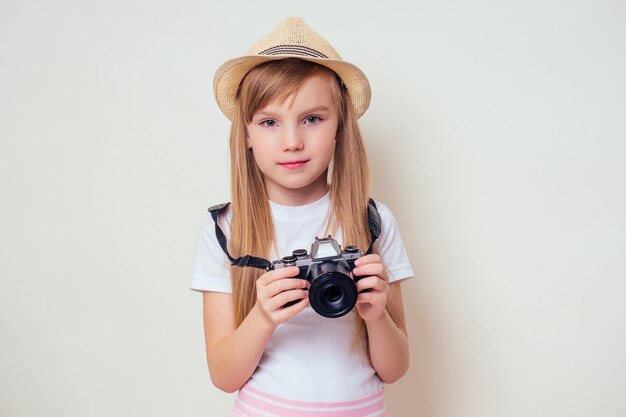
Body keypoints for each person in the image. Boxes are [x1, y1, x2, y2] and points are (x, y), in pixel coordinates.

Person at [191, 17, 414, 417]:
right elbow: (224, 376)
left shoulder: (372, 222)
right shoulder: (227, 230)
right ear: (245, 133)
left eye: (312, 118)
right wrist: (262, 315)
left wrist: (376, 315)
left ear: (340, 126)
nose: (292, 142)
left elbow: (395, 369)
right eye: (269, 122)